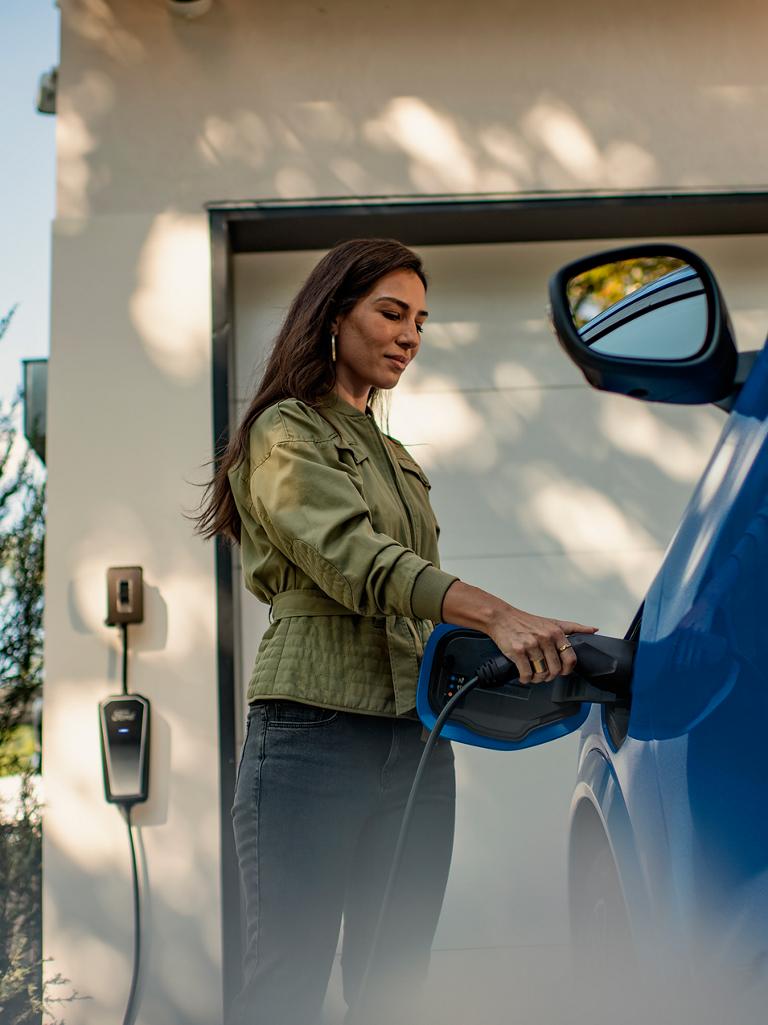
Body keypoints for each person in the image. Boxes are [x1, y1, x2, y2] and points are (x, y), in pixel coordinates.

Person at [195, 238, 597, 1025]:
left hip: (415, 741)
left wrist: (522, 648)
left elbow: (414, 592)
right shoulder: (287, 430)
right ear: (332, 314)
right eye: (391, 313)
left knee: (395, 988)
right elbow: (359, 562)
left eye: (420, 320)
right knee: (285, 987)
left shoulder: (396, 455)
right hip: (310, 738)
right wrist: (496, 613)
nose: (410, 335)